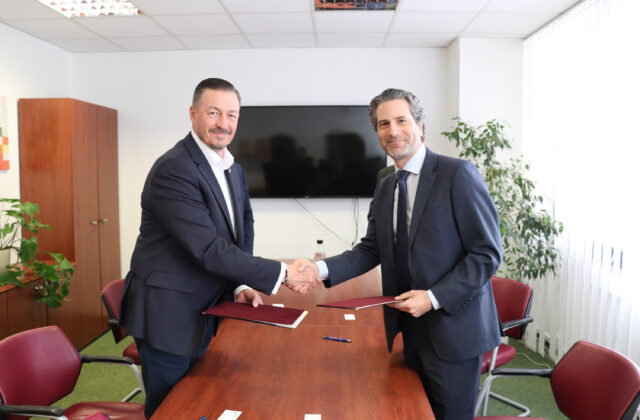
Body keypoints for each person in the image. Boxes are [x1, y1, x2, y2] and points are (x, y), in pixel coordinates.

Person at [296, 88, 502, 419]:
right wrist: (318, 270)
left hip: (453, 330)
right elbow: (371, 249)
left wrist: (433, 298)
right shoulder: (385, 183)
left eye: (401, 121)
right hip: (408, 327)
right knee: (412, 412)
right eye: (383, 124)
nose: (393, 131)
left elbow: (486, 253)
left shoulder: (457, 174)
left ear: (420, 125)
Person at [119, 78, 319, 419]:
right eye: (213, 113)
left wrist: (240, 284)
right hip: (169, 315)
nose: (223, 124)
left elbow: (243, 228)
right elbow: (208, 248)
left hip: (205, 309)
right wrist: (283, 273)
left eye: (231, 115)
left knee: (202, 400)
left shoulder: (231, 167)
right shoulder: (175, 169)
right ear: (193, 114)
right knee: (172, 409)